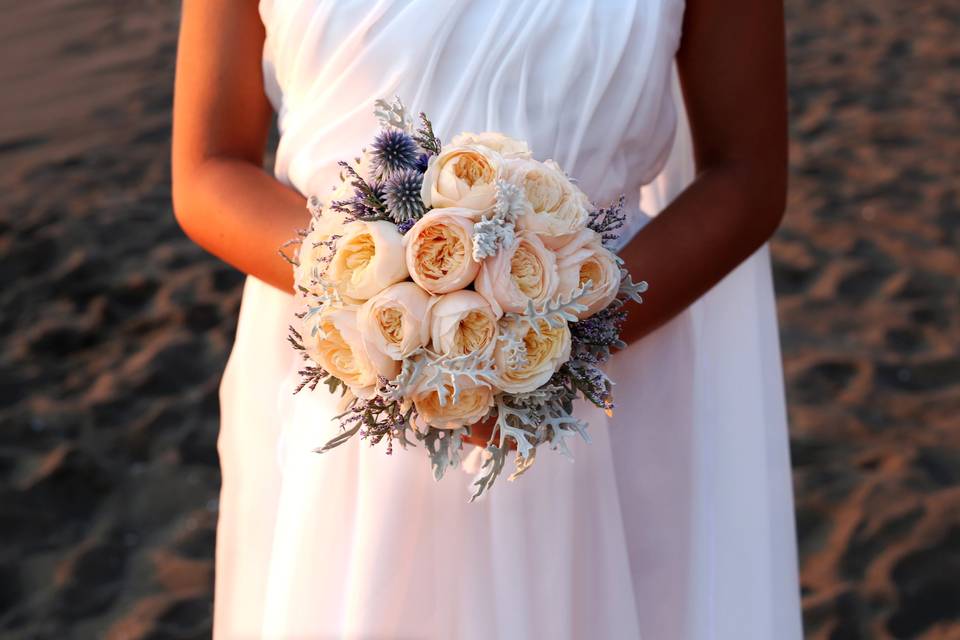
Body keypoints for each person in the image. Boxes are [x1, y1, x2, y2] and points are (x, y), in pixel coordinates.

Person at [172, 0, 803, 637]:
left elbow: (746, 176)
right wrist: (384, 301)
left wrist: (544, 344)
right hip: (346, 379)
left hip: (597, 390)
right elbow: (208, 166)